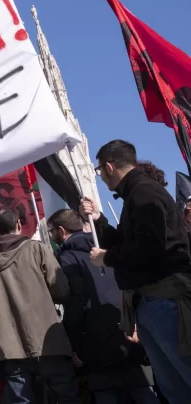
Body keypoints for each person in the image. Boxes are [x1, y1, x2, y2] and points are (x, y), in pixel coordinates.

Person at [81, 140, 191, 402]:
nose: (101, 177)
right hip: (151, 302)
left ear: (109, 167)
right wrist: (98, 220)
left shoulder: (144, 193)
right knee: (174, 386)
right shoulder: (136, 195)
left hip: (165, 300)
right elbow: (127, 242)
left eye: (99, 171)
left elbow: (150, 248)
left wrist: (108, 259)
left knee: (183, 377)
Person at [0, 207, 78, 403]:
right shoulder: (37, 249)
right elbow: (61, 289)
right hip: (47, 342)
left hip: (9, 349)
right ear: (19, 224)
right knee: (66, 398)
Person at [47, 209, 158, 404]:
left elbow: (75, 302)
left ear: (61, 230)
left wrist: (72, 344)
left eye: (51, 231)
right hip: (129, 335)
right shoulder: (110, 248)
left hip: (96, 344)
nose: (51, 236)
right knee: (145, 393)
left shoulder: (67, 258)